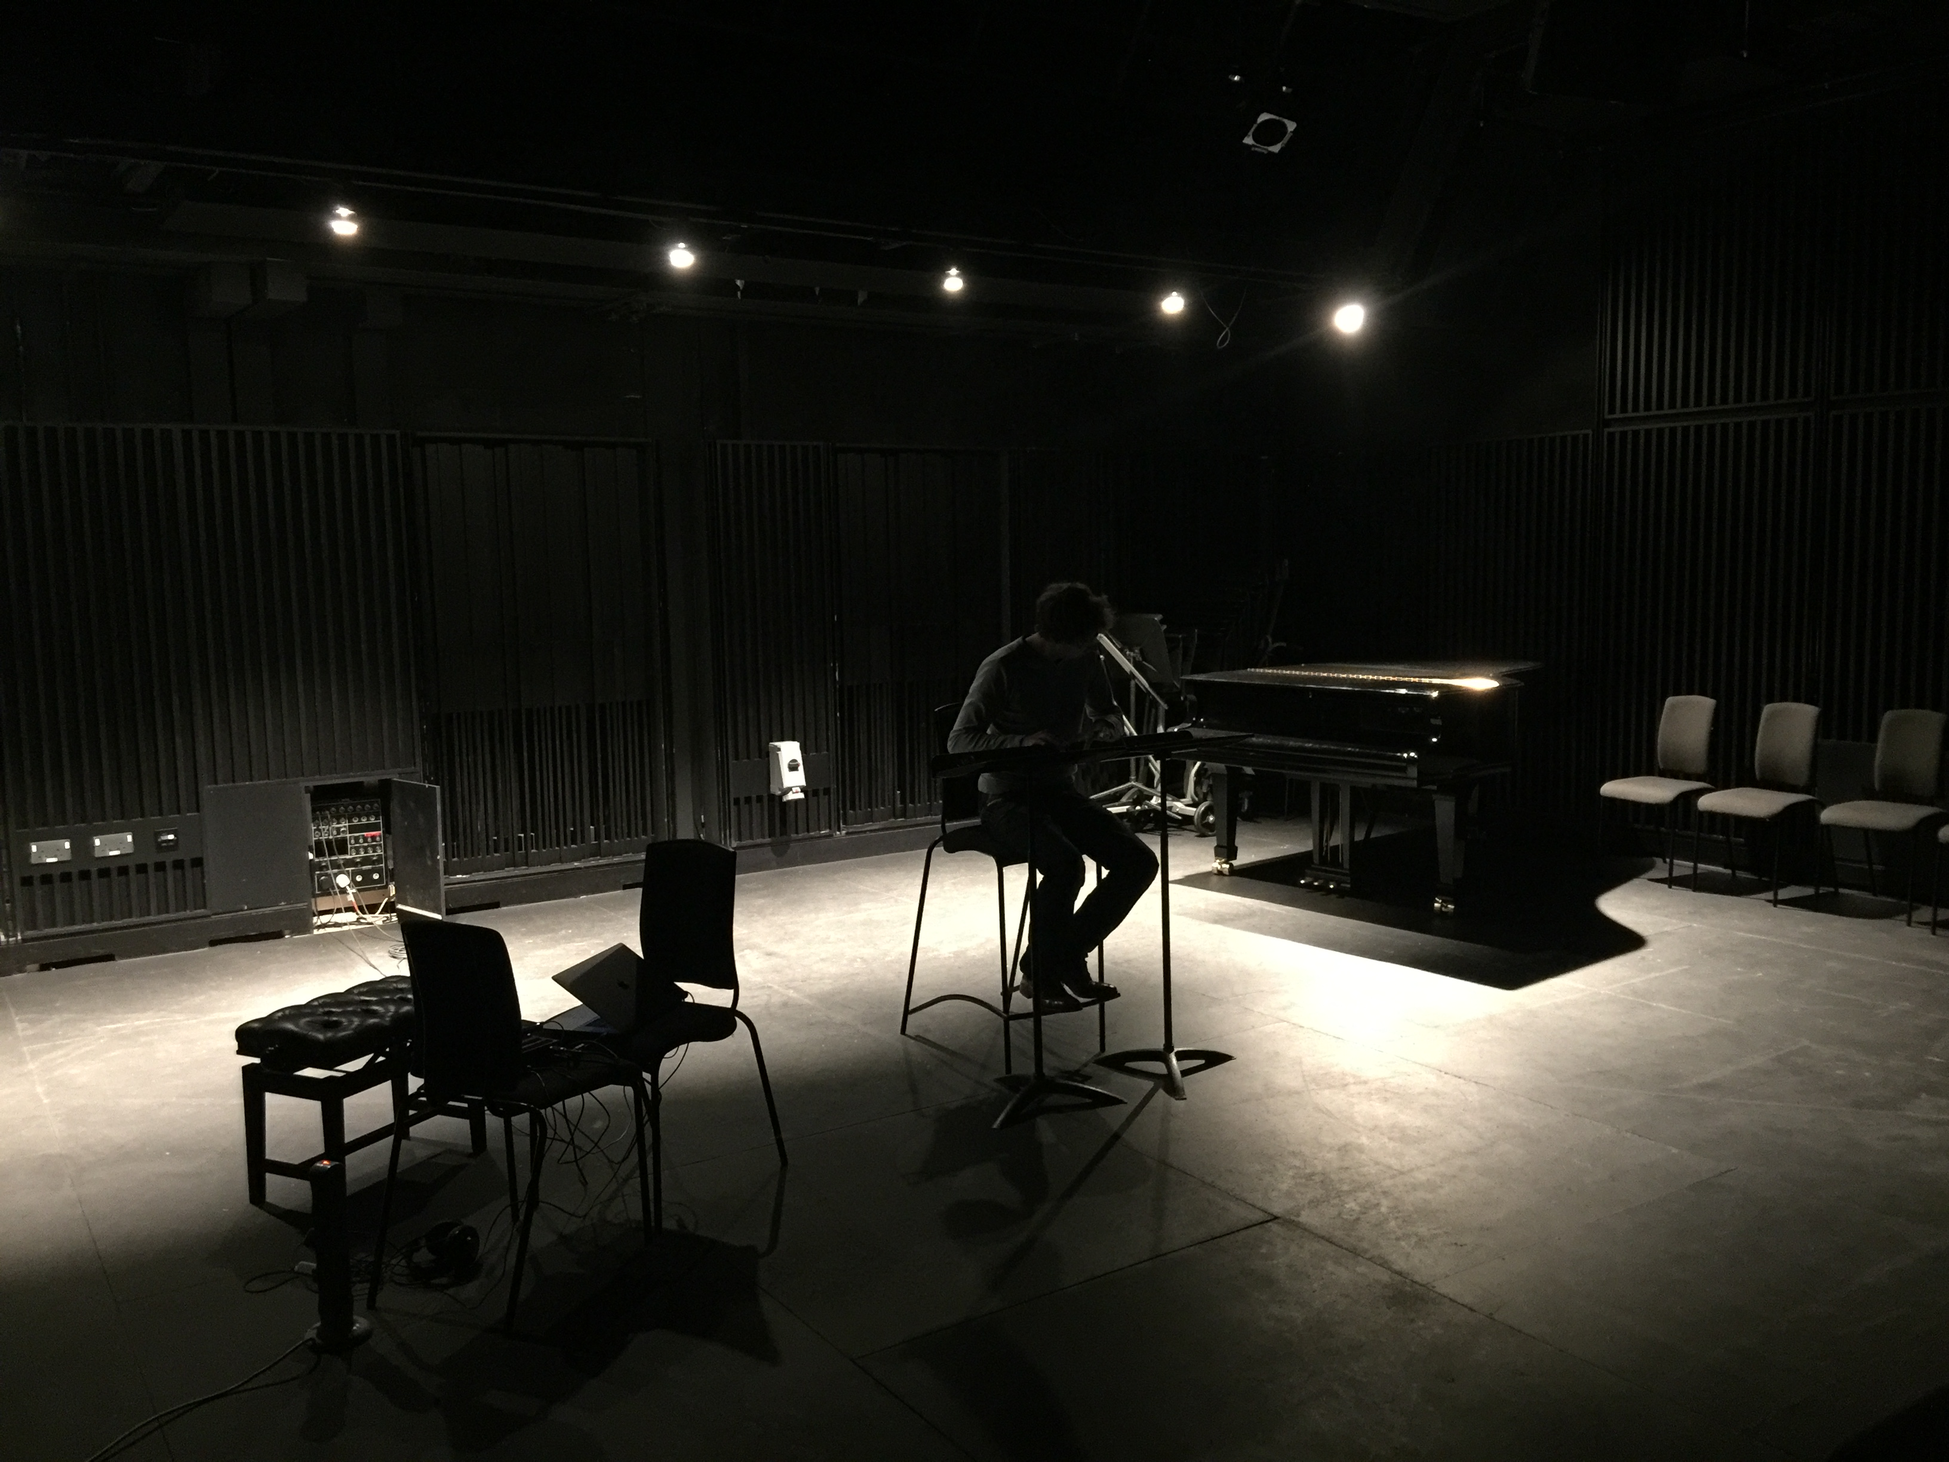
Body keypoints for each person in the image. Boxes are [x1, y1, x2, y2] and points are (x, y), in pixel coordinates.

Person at [948, 582, 1158, 1008]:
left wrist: (1104, 729)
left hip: (1058, 790)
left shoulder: (1087, 658)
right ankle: (1046, 973)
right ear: (1060, 634)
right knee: (1065, 866)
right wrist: (1020, 743)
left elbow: (1108, 713)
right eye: (1083, 639)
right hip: (1006, 797)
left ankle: (1056, 960)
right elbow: (959, 741)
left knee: (1139, 863)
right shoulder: (1003, 665)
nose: (1089, 647)